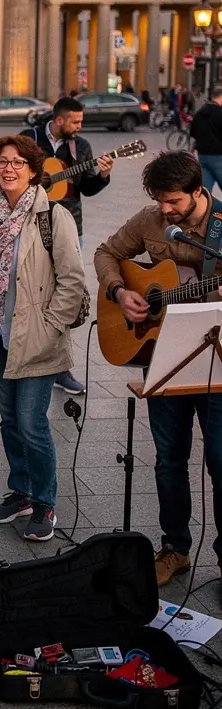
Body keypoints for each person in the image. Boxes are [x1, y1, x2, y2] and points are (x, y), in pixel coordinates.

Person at [94, 151, 222, 597]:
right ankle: (174, 548)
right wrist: (119, 290)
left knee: (221, 461)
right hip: (162, 356)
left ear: (199, 192)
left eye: (173, 202)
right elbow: (107, 251)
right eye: (160, 201)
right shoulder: (150, 220)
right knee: (169, 458)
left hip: (215, 359)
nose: (165, 210)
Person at [0, 134, 85, 543]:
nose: (8, 168)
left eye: (18, 162)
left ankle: (44, 501)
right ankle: (20, 492)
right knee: (8, 420)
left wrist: (50, 325)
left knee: (32, 423)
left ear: (34, 170)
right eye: (2, 161)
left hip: (36, 337)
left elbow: (72, 281)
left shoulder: (52, 217)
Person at [20, 96, 113, 395]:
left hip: (70, 226)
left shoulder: (81, 147)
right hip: (30, 225)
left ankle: (61, 367)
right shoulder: (30, 138)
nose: (80, 126)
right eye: (76, 121)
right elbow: (14, 175)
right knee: (32, 293)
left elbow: (86, 187)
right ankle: (25, 353)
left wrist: (103, 175)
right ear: (59, 120)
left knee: (66, 296)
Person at [190, 85, 222, 196]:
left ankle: (202, 212)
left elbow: (193, 132)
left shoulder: (199, 114)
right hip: (218, 156)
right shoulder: (220, 113)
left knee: (204, 190)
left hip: (202, 155)